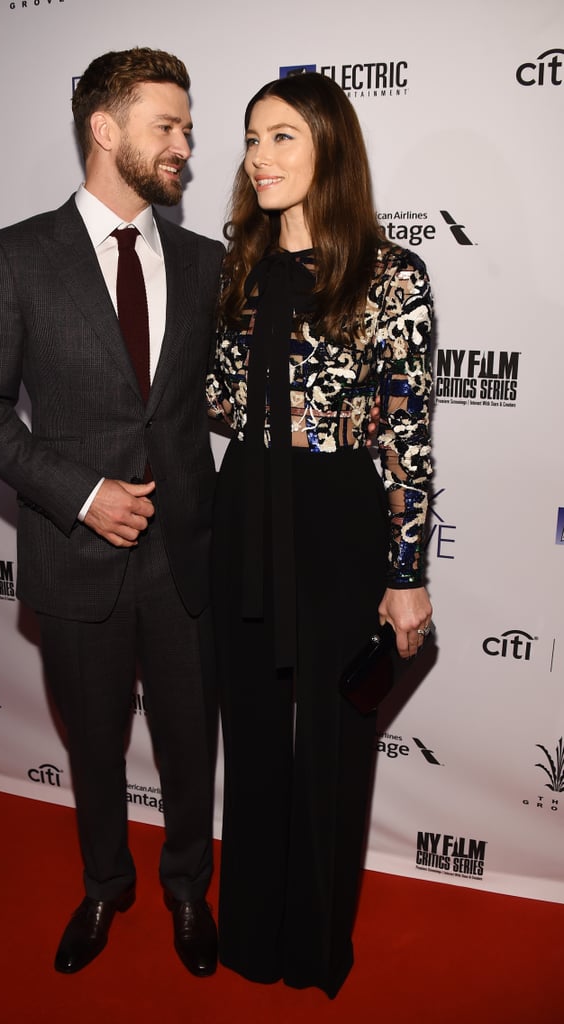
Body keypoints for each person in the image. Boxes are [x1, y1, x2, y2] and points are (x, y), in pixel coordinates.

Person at [0, 48, 223, 978]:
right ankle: (107, 883)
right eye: (167, 126)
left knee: (193, 745)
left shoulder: (206, 262)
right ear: (106, 130)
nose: (186, 143)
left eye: (188, 126)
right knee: (94, 746)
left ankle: (189, 887)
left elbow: (221, 400)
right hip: (74, 554)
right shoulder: (16, 255)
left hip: (187, 558)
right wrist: (81, 492)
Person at [206, 71, 434, 998]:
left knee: (335, 746)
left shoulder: (390, 275)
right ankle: (252, 936)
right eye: (253, 137)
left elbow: (407, 434)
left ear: (328, 149)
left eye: (284, 137)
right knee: (253, 734)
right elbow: (221, 401)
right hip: (245, 499)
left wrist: (407, 570)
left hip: (338, 513)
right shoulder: (236, 268)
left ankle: (315, 946)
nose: (260, 156)